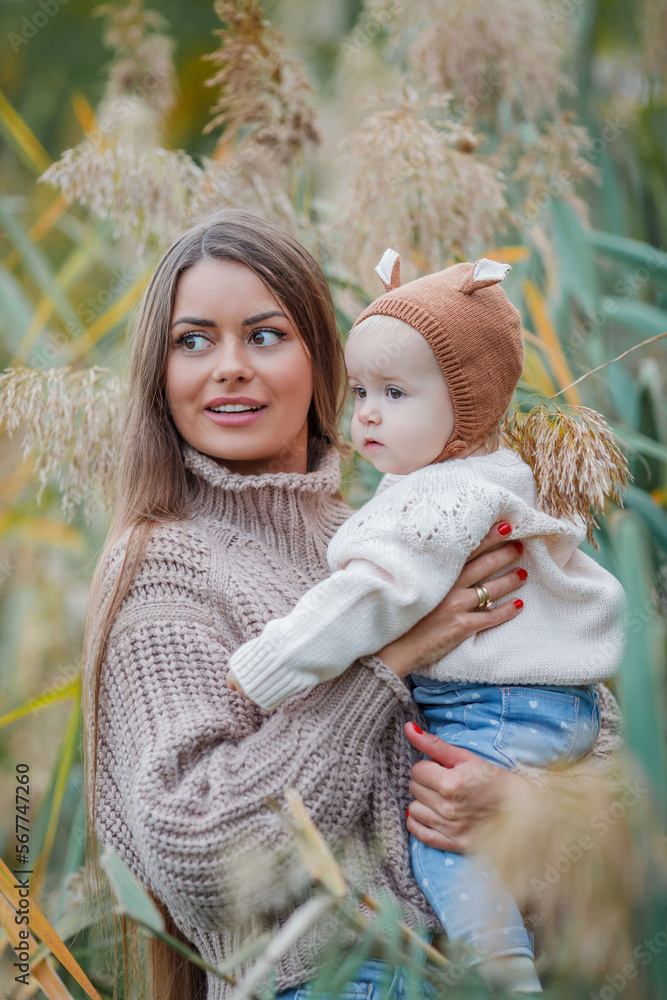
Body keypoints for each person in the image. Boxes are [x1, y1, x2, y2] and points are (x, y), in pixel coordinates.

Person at [83, 211, 624, 1000]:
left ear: (319, 358)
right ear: (158, 375)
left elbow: (613, 767)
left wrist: (517, 805)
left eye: (264, 335)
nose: (229, 367)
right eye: (192, 341)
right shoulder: (163, 571)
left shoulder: (410, 531)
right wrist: (386, 662)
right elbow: (196, 845)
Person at [225, 250, 628, 993]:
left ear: (465, 410)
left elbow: (367, 596)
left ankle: (505, 977)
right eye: (361, 392)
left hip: (495, 712)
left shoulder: (430, 502)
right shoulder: (492, 477)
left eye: (395, 393)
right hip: (553, 708)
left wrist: (272, 663)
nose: (368, 413)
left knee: (445, 847)